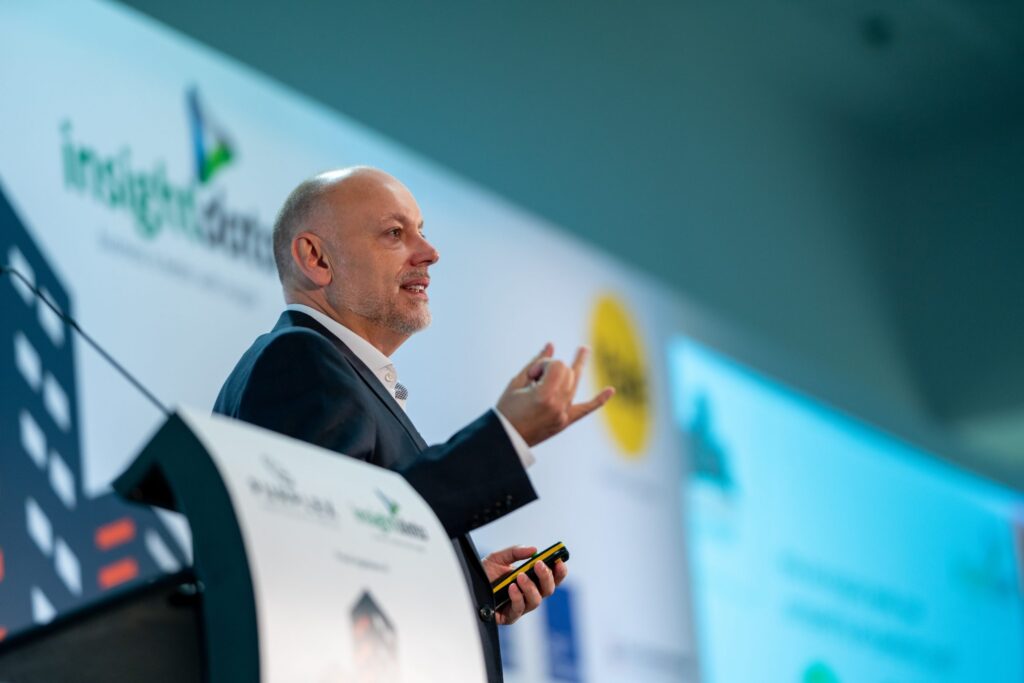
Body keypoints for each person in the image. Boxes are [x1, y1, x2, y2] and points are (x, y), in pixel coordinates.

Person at [213, 167, 614, 681]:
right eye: (395, 233)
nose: (429, 253)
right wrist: (509, 435)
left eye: (422, 230)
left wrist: (464, 585)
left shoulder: (325, 369)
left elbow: (354, 556)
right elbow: (328, 542)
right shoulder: (299, 360)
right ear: (316, 258)